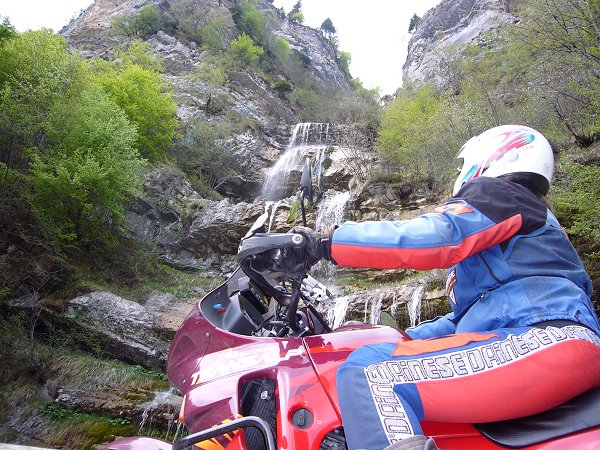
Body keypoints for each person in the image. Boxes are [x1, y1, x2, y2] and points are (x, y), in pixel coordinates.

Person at [293, 125, 600, 450]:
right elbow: (463, 320)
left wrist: (324, 242)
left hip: (543, 338)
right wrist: (392, 336)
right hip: (546, 340)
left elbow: (437, 238)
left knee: (370, 372)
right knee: (374, 357)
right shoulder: (525, 225)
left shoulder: (501, 194)